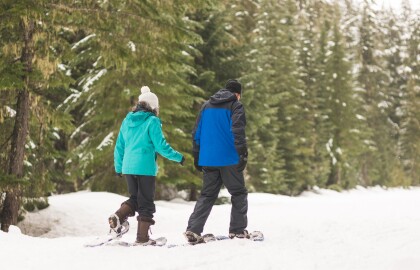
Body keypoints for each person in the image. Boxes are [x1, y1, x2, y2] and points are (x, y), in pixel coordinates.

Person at [110, 86, 185, 245]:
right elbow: (161, 146)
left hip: (128, 167)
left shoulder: (127, 120)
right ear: (153, 106)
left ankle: (118, 216)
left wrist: (118, 167)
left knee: (135, 199)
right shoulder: (152, 121)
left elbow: (119, 146)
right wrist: (179, 157)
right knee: (146, 203)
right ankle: (142, 238)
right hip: (145, 168)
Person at [185, 79, 249, 244]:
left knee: (207, 194)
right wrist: (242, 153)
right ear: (237, 94)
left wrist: (197, 156)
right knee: (238, 193)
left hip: (208, 159)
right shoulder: (235, 105)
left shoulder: (206, 106)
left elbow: (196, 133)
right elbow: (238, 130)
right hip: (228, 158)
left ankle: (193, 229)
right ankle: (237, 231)